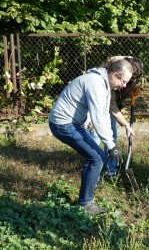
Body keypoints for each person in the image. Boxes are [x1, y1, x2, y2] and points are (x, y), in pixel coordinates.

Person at [49, 59, 133, 215]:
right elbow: (97, 118)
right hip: (63, 125)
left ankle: (87, 193)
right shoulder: (96, 83)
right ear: (114, 74)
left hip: (73, 124)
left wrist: (110, 144)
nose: (124, 86)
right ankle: (85, 204)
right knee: (96, 159)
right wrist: (110, 145)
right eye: (123, 81)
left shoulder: (103, 83)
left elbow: (103, 114)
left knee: (97, 157)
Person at [89, 56, 144, 179]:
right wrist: (125, 124)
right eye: (130, 78)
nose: (130, 82)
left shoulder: (130, 77)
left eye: (134, 79)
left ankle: (111, 171)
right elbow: (111, 105)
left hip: (113, 108)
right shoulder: (110, 76)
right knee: (96, 137)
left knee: (112, 136)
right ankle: (94, 173)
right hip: (101, 107)